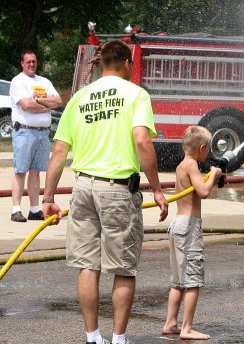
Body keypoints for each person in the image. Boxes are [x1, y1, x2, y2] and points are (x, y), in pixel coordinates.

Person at [42, 39, 168, 344]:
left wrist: (47, 199)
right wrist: (157, 189)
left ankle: (92, 336)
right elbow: (142, 141)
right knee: (123, 267)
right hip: (117, 190)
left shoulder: (80, 98)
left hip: (83, 186)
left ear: (101, 64)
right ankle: (119, 339)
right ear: (126, 63)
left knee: (88, 264)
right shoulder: (136, 94)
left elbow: (58, 152)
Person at [162, 125, 222, 341]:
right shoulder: (193, 165)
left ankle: (170, 323)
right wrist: (214, 174)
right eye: (207, 150)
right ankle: (187, 328)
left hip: (177, 224)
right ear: (202, 148)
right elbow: (203, 192)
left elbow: (195, 188)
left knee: (178, 281)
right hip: (189, 226)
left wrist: (210, 177)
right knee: (193, 281)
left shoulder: (181, 165)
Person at [9, 51, 62, 222]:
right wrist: (45, 102)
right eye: (28, 62)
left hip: (42, 133)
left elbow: (58, 101)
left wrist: (37, 102)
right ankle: (16, 210)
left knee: (36, 172)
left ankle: (34, 209)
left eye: (34, 61)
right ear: (22, 64)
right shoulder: (18, 81)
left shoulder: (44, 81)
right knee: (20, 171)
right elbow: (26, 105)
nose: (32, 64)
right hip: (24, 131)